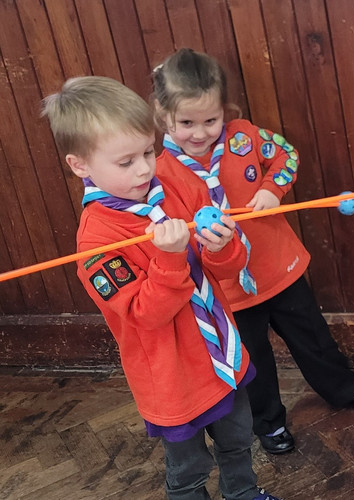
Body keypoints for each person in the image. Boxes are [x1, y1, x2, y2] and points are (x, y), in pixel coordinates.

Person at [43, 76, 279, 500]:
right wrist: (170, 258)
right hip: (172, 377)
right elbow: (146, 314)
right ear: (80, 165)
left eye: (148, 152)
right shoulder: (95, 243)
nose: (144, 169)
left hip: (222, 357)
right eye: (126, 161)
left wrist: (222, 245)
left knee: (239, 438)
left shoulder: (176, 186)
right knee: (188, 469)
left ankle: (243, 493)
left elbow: (227, 269)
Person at [151, 48, 354, 455]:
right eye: (186, 123)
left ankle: (346, 390)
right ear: (162, 113)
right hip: (228, 289)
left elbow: (287, 156)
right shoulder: (160, 174)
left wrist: (272, 188)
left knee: (314, 339)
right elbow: (166, 231)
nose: (200, 133)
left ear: (224, 110)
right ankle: (269, 423)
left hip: (280, 269)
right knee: (253, 362)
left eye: (210, 120)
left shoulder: (244, 136)